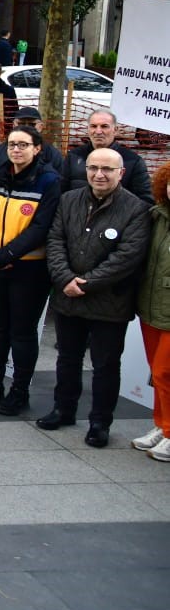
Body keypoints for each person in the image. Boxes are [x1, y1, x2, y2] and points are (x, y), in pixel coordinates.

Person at [40, 147, 152, 447]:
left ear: (121, 173)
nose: (99, 174)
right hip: (69, 297)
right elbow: (55, 241)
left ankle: (100, 423)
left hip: (109, 302)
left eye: (107, 169)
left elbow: (128, 257)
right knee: (67, 359)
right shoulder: (68, 200)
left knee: (105, 366)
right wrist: (65, 278)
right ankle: (63, 409)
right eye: (93, 168)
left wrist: (86, 283)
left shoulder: (137, 209)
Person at [0, 123, 62, 417]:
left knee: (22, 333)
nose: (16, 150)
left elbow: (41, 227)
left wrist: (8, 254)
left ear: (37, 149)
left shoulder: (49, 181)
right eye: (12, 144)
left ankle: (19, 390)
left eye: (23, 145)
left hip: (29, 270)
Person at [134, 161, 170, 462]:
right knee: (158, 374)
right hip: (151, 308)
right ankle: (162, 426)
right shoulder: (157, 217)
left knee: (164, 372)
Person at [61, 110, 154, 205]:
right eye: (93, 126)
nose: (98, 131)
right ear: (88, 129)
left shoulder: (133, 161)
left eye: (104, 126)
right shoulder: (73, 156)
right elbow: (61, 193)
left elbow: (145, 202)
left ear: (115, 130)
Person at [0, 106, 65, 174]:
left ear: (41, 127)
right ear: (13, 125)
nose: (26, 128)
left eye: (31, 124)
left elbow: (60, 183)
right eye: (21, 124)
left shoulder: (52, 155)